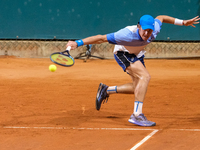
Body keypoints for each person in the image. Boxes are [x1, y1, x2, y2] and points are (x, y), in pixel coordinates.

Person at [66, 15, 200, 127]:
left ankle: (106, 90)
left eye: (150, 31)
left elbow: (161, 17)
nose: (147, 34)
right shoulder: (125, 35)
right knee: (145, 77)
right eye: (145, 30)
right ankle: (137, 115)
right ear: (139, 26)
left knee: (138, 87)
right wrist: (77, 43)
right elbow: (101, 38)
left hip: (137, 54)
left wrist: (183, 22)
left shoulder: (154, 30)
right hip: (123, 53)